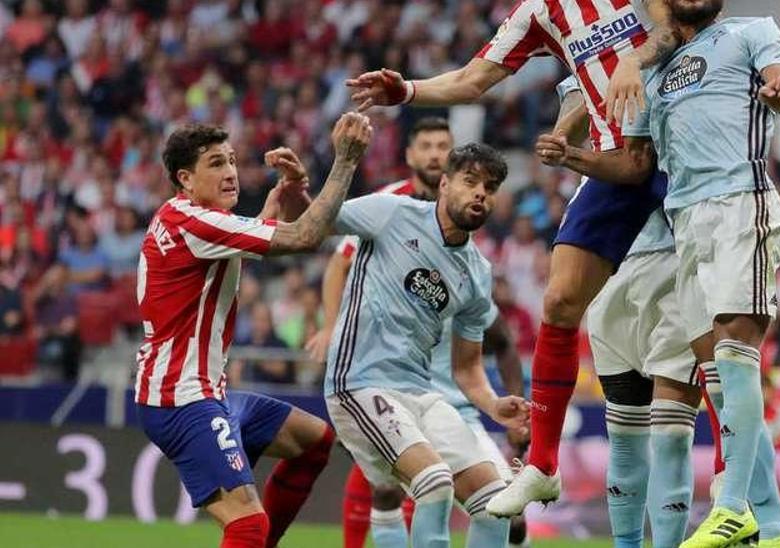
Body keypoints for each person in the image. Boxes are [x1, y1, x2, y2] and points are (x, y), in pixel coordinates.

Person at [345, 0, 686, 513]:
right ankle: (542, 465)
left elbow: (678, 28)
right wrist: (409, 91)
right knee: (561, 301)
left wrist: (635, 62)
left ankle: (735, 489)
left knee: (713, 325)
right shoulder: (540, 12)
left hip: (685, 147)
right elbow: (474, 79)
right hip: (615, 159)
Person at [532, 0, 780, 545]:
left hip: (738, 202)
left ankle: (733, 507)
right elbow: (634, 165)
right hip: (685, 225)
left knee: (732, 355)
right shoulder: (649, 70)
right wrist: (572, 157)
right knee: (721, 377)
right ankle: (775, 525)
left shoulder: (752, 32)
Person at [135, 113, 373, 548]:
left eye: (230, 160)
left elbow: (246, 243)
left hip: (205, 390)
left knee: (314, 442)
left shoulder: (192, 220)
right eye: (215, 164)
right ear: (185, 178)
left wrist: (279, 197)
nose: (230, 172)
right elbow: (303, 237)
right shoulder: (195, 223)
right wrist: (346, 161)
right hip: (182, 398)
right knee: (247, 525)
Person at [311, 117, 529, 548]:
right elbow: (318, 223)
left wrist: (493, 404)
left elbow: (468, 368)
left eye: (490, 187)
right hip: (360, 383)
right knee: (432, 482)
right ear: (445, 184)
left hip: (424, 392)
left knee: (496, 503)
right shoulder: (392, 211)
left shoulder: (476, 272)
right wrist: (338, 165)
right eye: (471, 182)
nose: (481, 193)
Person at [554, 76, 704, 548]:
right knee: (623, 434)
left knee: (673, 434)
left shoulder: (689, 68)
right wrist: (586, 105)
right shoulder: (585, 69)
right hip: (611, 263)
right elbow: (565, 136)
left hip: (679, 264)